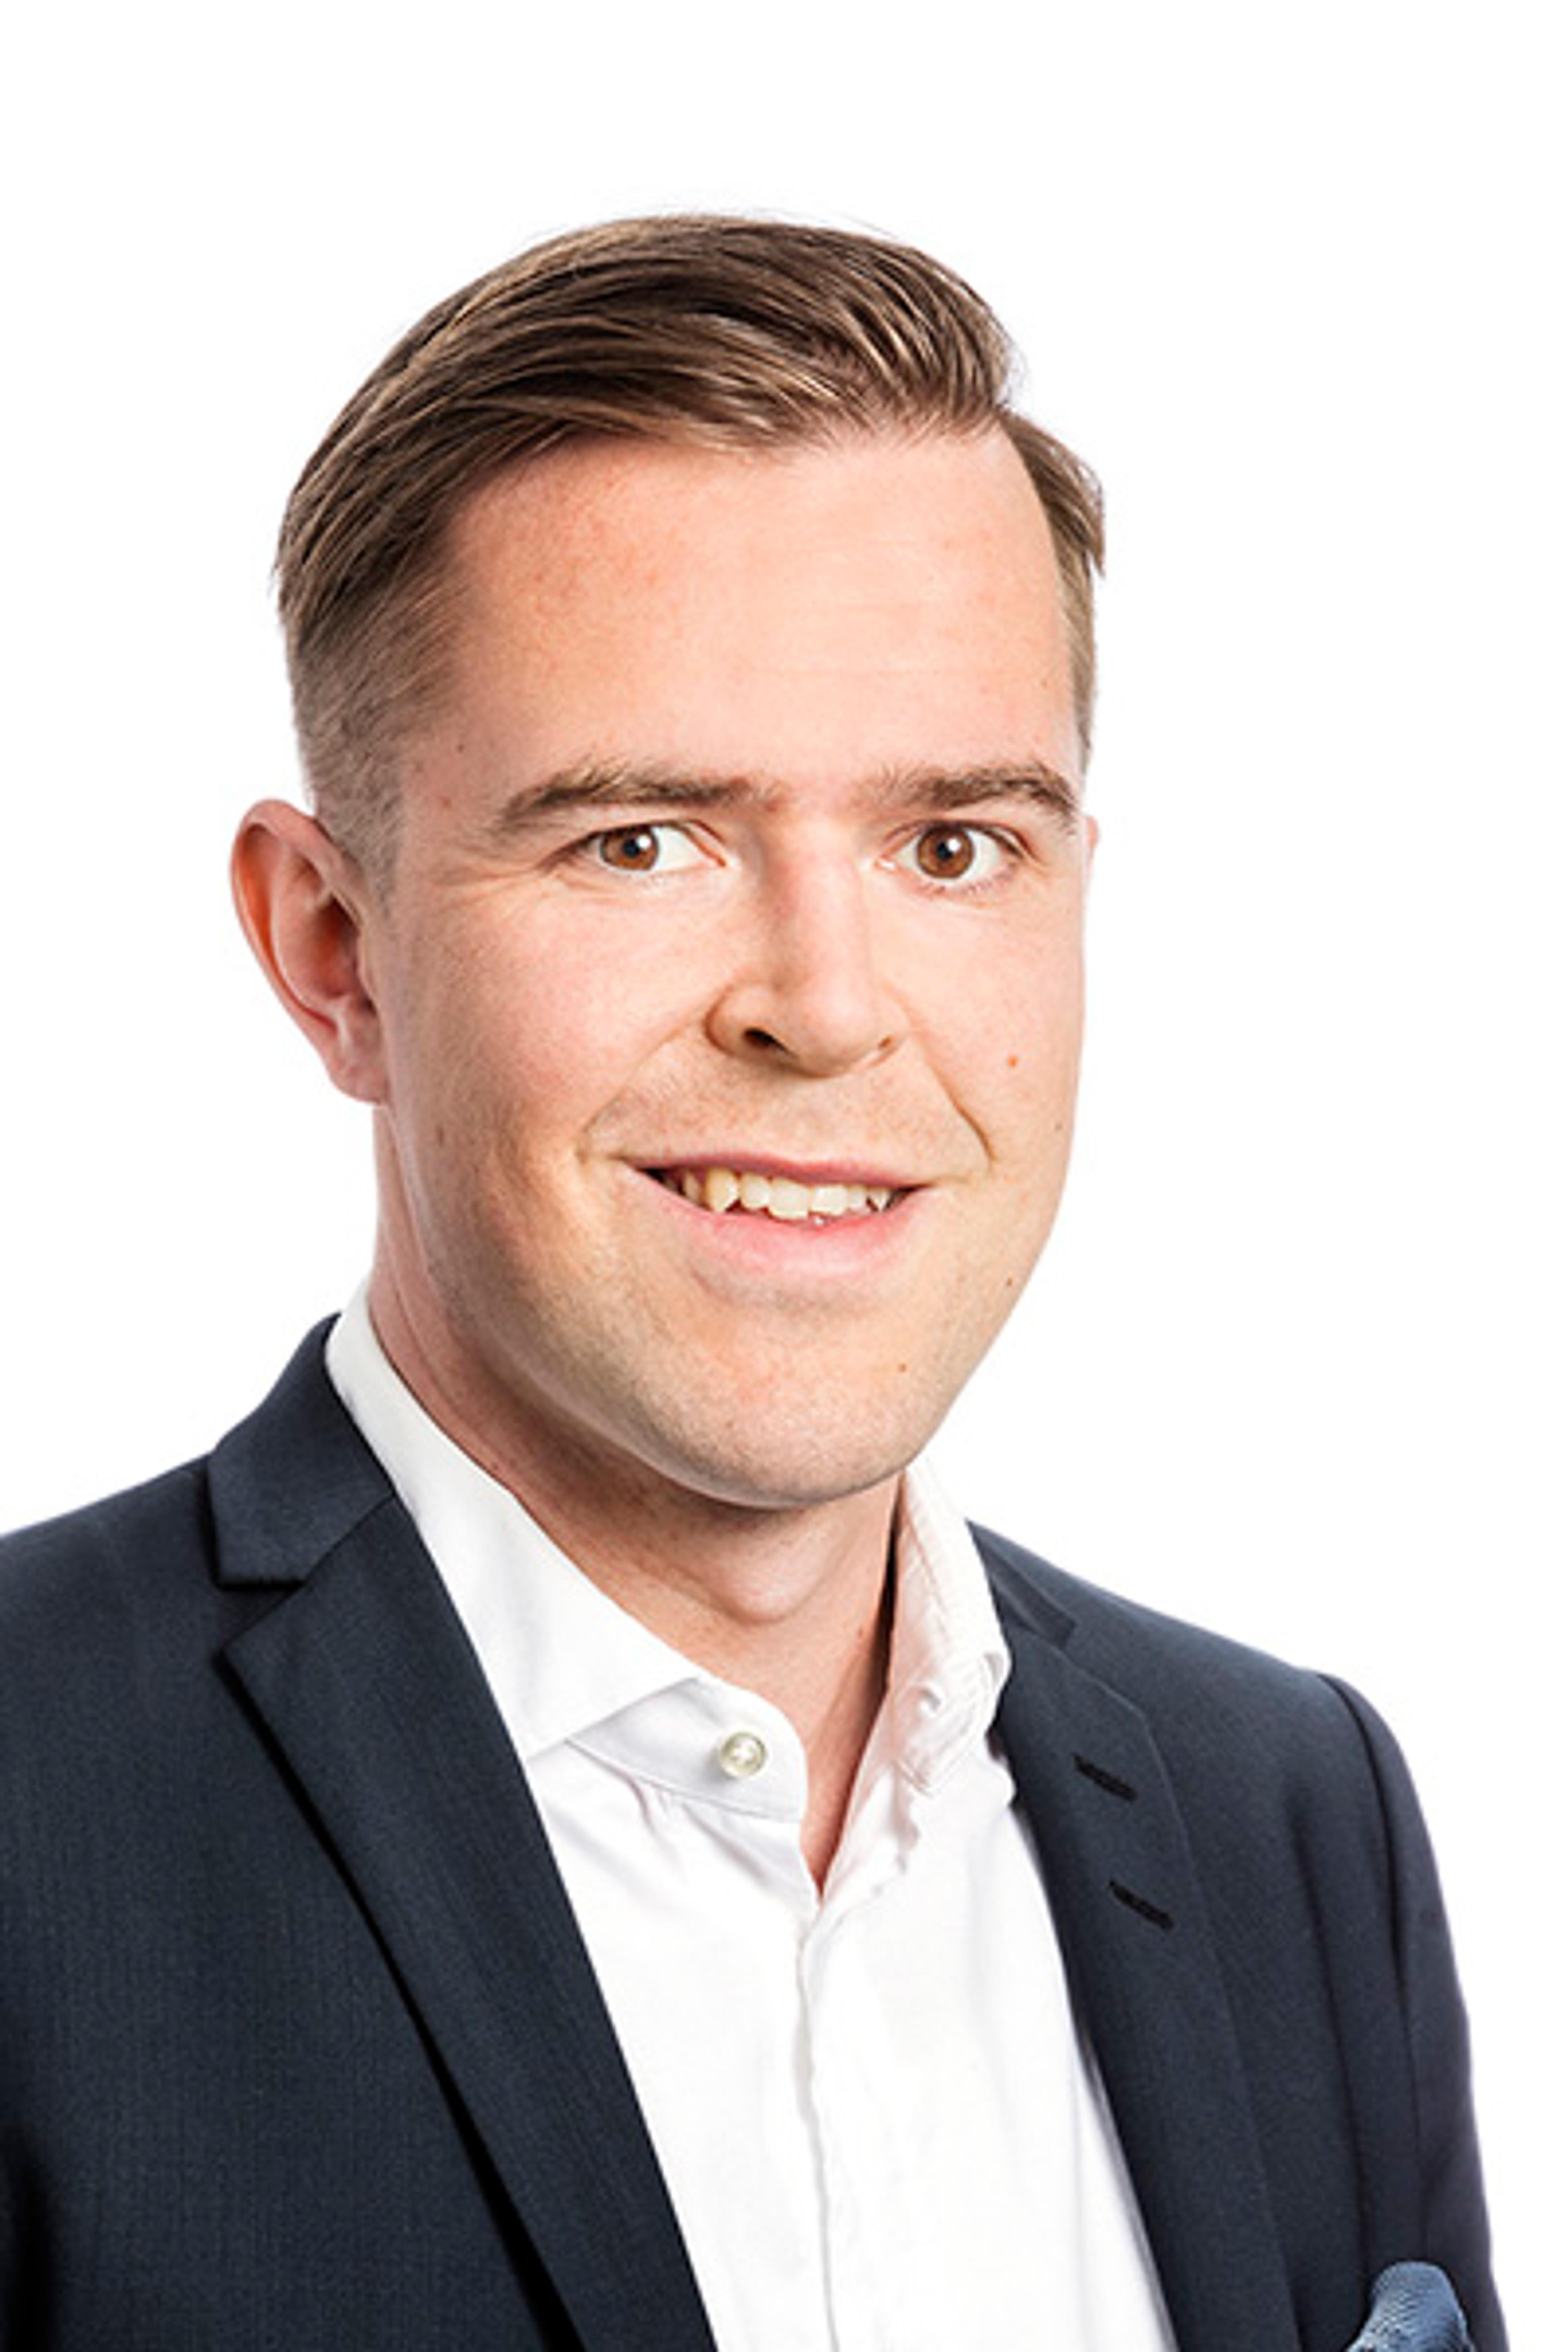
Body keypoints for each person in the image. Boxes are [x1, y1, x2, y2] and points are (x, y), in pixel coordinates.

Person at [0, 216, 1504, 2352]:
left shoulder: (1289, 1810)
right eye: (640, 839)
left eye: (954, 845)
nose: (827, 1006)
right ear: (334, 950)